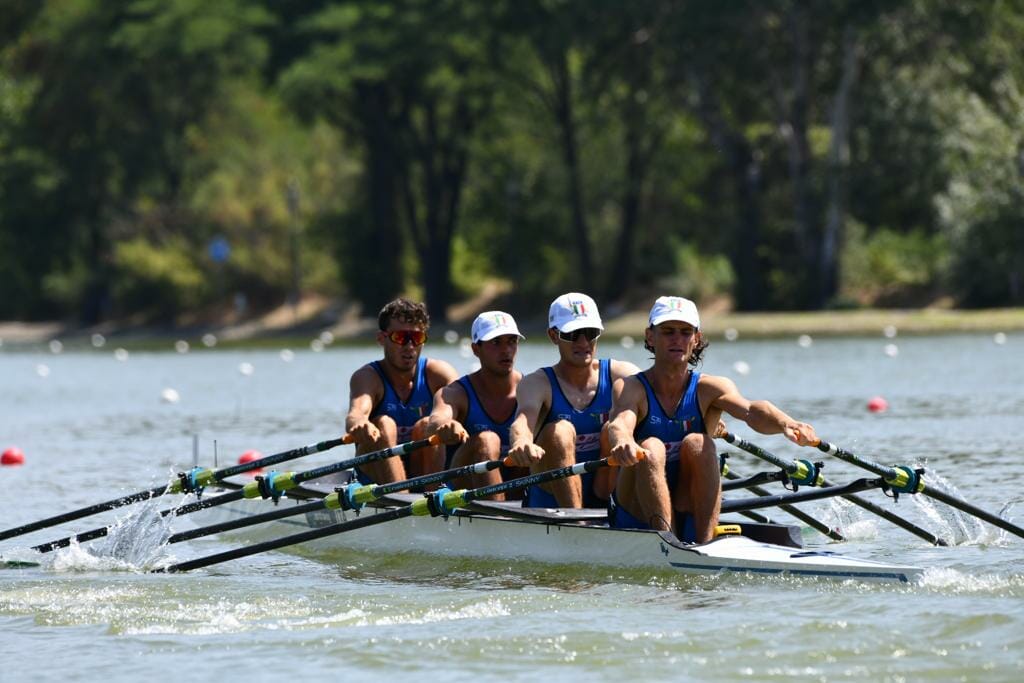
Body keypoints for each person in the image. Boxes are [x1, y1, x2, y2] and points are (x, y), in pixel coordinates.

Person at [606, 296, 819, 543]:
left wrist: (787, 424)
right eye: (668, 331)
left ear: (696, 339)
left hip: (686, 504)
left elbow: (750, 410)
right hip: (634, 511)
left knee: (699, 442)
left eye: (685, 332)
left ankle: (704, 544)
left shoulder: (711, 388)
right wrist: (623, 441)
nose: (677, 339)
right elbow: (620, 423)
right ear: (650, 336)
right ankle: (667, 542)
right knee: (651, 446)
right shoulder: (630, 387)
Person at [507, 293, 640, 508]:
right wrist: (521, 442)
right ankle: (576, 523)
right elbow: (523, 421)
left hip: (607, 491)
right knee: (560, 432)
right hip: (549, 500)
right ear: (553, 336)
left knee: (612, 430)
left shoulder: (622, 374)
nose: (583, 342)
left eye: (590, 333)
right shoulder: (536, 383)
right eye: (573, 334)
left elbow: (660, 399)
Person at [345, 298, 458, 486]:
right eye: (400, 338)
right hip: (376, 479)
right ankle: (400, 498)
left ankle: (429, 499)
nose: (409, 346)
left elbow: (464, 407)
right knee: (383, 424)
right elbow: (356, 413)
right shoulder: (367, 377)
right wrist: (360, 425)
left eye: (417, 338)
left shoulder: (439, 374)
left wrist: (451, 425)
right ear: (382, 339)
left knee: (426, 425)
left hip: (426, 469)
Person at [428, 311, 525, 499]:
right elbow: (434, 422)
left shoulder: (532, 389)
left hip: (516, 480)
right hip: (465, 485)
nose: (506, 350)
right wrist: (446, 426)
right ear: (475, 349)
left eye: (511, 341)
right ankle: (499, 517)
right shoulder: (456, 393)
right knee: (487, 440)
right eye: (496, 343)